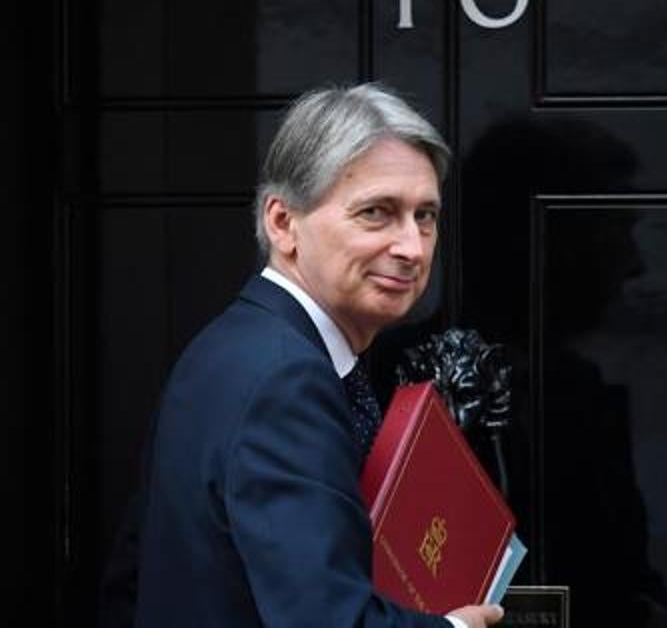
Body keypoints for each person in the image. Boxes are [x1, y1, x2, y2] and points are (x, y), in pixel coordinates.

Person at [129, 84, 503, 628]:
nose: (413, 248)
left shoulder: (234, 347)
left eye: (425, 216)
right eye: (377, 213)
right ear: (282, 223)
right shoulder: (284, 377)